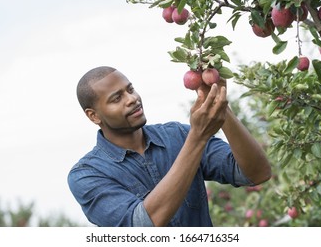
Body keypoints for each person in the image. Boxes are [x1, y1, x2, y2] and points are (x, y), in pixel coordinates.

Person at [68, 66, 271, 227]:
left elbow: (257, 173)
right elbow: (141, 226)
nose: (132, 99)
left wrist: (219, 104)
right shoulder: (87, 174)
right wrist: (197, 138)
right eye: (117, 98)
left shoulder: (177, 135)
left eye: (130, 89)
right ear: (93, 115)